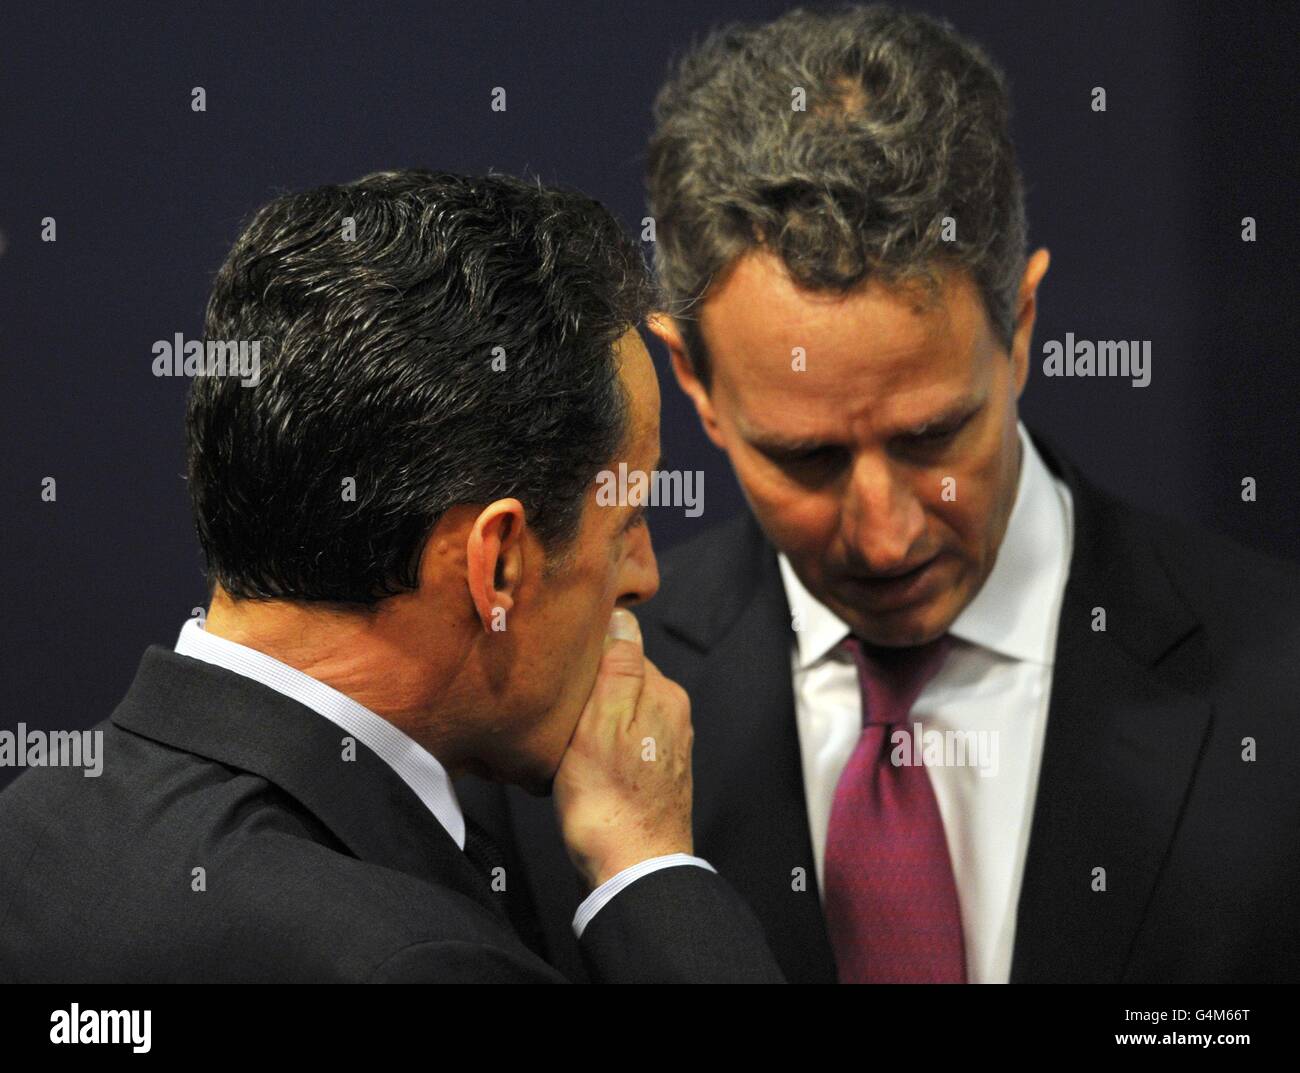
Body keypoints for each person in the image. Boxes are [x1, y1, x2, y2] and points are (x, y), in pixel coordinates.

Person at [458, 6, 1300, 983]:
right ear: (691, 380)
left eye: (931, 435)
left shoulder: (1276, 695)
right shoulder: (547, 722)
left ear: (1020, 326)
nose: (884, 533)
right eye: (806, 456)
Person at [0, 169, 784, 984]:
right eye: (626, 522)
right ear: (499, 564)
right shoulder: (418, 958)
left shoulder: (25, 829)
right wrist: (648, 871)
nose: (647, 576)